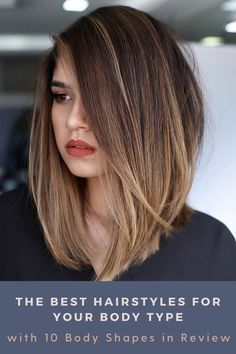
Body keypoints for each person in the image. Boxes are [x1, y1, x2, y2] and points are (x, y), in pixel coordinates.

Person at [0, 5, 235, 281]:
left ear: (149, 108)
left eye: (99, 97)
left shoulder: (210, 249)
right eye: (62, 96)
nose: (74, 120)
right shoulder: (8, 228)